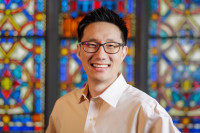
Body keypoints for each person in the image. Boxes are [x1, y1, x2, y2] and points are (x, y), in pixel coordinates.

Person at [46, 7, 180, 133]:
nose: (100, 55)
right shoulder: (63, 107)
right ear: (79, 51)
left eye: (111, 45)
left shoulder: (148, 112)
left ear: (123, 52)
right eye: (92, 45)